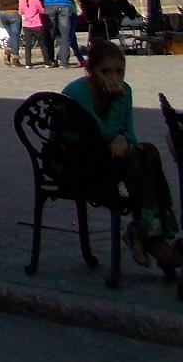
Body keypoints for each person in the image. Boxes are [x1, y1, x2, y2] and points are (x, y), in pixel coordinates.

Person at [63, 39, 181, 274]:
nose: (114, 78)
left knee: (147, 152)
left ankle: (144, 232)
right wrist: (116, 116)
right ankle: (151, 236)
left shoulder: (124, 90)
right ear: (90, 71)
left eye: (119, 71)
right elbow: (100, 136)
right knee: (142, 156)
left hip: (113, 162)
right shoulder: (77, 94)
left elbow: (130, 135)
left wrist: (122, 139)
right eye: (105, 71)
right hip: (77, 163)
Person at [18, 0, 51, 68]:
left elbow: (20, 12)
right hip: (37, 24)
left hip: (26, 25)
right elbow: (41, 10)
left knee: (28, 44)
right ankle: (47, 62)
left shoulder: (21, 0)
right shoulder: (36, 0)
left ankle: (28, 63)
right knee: (42, 44)